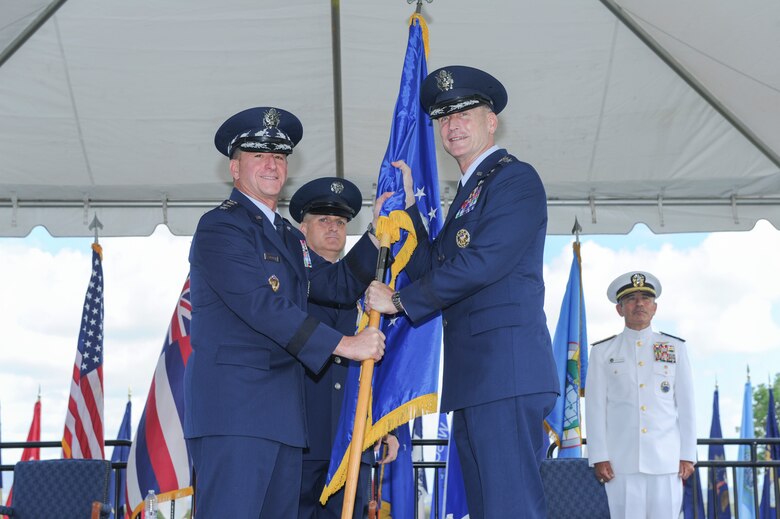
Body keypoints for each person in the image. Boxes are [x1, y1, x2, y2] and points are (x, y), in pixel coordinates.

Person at [364, 65, 559, 519]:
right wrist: (409, 211)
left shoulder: (514, 179)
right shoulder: (471, 192)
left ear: (492, 121)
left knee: (512, 508)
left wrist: (398, 302)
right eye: (443, 118)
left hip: (507, 373)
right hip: (477, 380)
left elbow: (482, 262)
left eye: (465, 113)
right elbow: (438, 268)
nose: (452, 125)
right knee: (488, 508)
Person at [184, 106, 389, 519]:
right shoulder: (220, 227)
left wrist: (375, 232)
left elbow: (335, 285)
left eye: (279, 156)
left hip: (283, 420)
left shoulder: (285, 235)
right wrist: (345, 344)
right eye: (259, 155)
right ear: (234, 167)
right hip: (236, 414)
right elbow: (262, 305)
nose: (272, 164)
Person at [289, 177, 399, 519]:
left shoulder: (372, 287)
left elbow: (384, 358)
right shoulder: (290, 283)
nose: (333, 228)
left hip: (352, 436)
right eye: (323, 220)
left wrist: (387, 427)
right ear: (302, 228)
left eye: (340, 222)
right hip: (303, 436)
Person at [585, 271, 696, 518]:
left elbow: (687, 406)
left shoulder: (674, 348)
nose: (639, 304)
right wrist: (599, 456)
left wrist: (687, 455)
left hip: (666, 462)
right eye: (631, 299)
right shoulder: (603, 352)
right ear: (620, 309)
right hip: (620, 463)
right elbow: (594, 408)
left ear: (655, 308)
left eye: (645, 298)